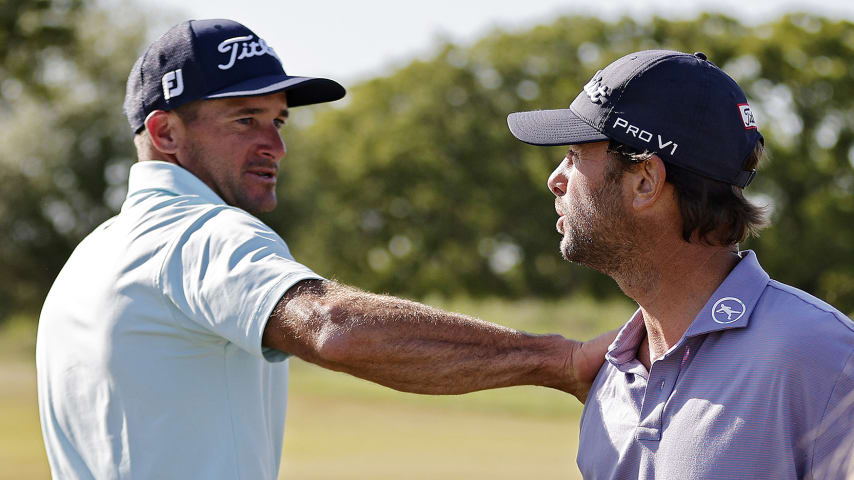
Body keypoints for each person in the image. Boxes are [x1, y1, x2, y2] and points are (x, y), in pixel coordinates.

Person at [35, 19, 615, 479]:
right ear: (165, 134)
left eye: (278, 120)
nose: (276, 146)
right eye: (245, 119)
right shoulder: (200, 232)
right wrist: (558, 360)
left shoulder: (86, 261)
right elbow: (332, 326)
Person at [507, 49, 854, 479]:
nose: (555, 178)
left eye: (576, 154)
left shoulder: (825, 356)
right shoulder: (615, 372)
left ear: (645, 181)